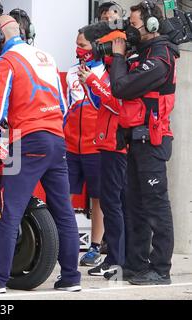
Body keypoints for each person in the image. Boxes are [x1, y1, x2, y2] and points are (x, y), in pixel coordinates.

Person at [0, 15, 81, 293]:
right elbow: (64, 106)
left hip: (28, 143)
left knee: (11, 212)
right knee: (64, 213)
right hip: (56, 139)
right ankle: (70, 279)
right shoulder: (46, 57)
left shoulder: (5, 62)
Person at [110, 1, 178, 285]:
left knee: (156, 207)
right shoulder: (143, 52)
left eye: (134, 24)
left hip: (153, 141)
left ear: (151, 26)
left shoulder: (161, 56)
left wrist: (118, 57)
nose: (130, 30)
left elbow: (121, 87)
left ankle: (161, 269)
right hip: (136, 141)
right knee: (135, 206)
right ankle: (137, 265)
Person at [77, 30, 128, 277]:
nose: (100, 52)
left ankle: (117, 260)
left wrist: (93, 83)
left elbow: (117, 104)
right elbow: (100, 103)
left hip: (117, 147)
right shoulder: (110, 73)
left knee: (114, 204)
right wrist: (90, 83)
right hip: (107, 145)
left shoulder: (123, 70)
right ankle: (116, 259)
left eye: (104, 47)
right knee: (113, 204)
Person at [64, 29, 105, 267]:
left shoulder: (105, 72)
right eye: (77, 44)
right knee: (63, 195)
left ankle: (96, 246)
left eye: (83, 45)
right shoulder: (70, 72)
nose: (79, 49)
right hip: (70, 146)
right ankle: (63, 241)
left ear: (96, 46)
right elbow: (67, 107)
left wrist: (90, 82)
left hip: (96, 146)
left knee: (98, 198)